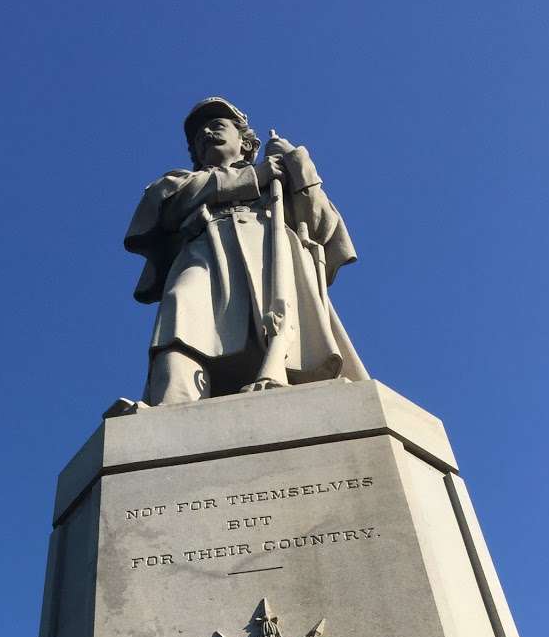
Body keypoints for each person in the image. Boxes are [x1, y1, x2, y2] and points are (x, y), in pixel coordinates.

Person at [124, 97, 367, 406]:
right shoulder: (181, 180)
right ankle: (172, 399)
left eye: (217, 125)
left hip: (272, 248)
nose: (207, 134)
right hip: (205, 251)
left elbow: (322, 227)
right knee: (181, 304)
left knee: (284, 322)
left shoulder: (279, 178)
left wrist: (298, 166)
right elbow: (169, 204)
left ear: (245, 140)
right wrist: (255, 176)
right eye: (198, 136)